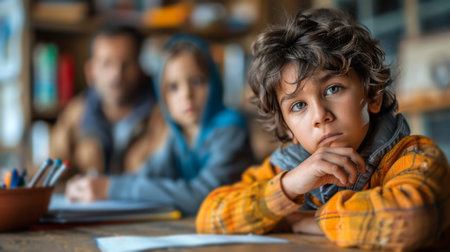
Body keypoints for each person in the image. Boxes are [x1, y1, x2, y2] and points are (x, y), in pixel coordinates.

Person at [196, 8, 450, 250]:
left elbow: (411, 218)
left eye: (333, 89)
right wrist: (290, 186)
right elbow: (210, 217)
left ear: (373, 96)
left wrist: (312, 220)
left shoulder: (414, 156)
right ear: (287, 130)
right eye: (298, 105)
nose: (320, 116)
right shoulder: (288, 167)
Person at [65, 34, 255, 216]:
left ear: (214, 81)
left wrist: (110, 188)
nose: (186, 95)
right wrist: (98, 184)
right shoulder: (178, 134)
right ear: (162, 96)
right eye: (173, 87)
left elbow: (204, 196)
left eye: (197, 81)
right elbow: (147, 176)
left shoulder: (231, 129)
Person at [50, 25, 166, 178]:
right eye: (106, 64)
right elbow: (51, 172)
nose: (116, 75)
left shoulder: (164, 114)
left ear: (141, 68)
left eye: (127, 64)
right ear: (90, 72)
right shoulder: (75, 113)